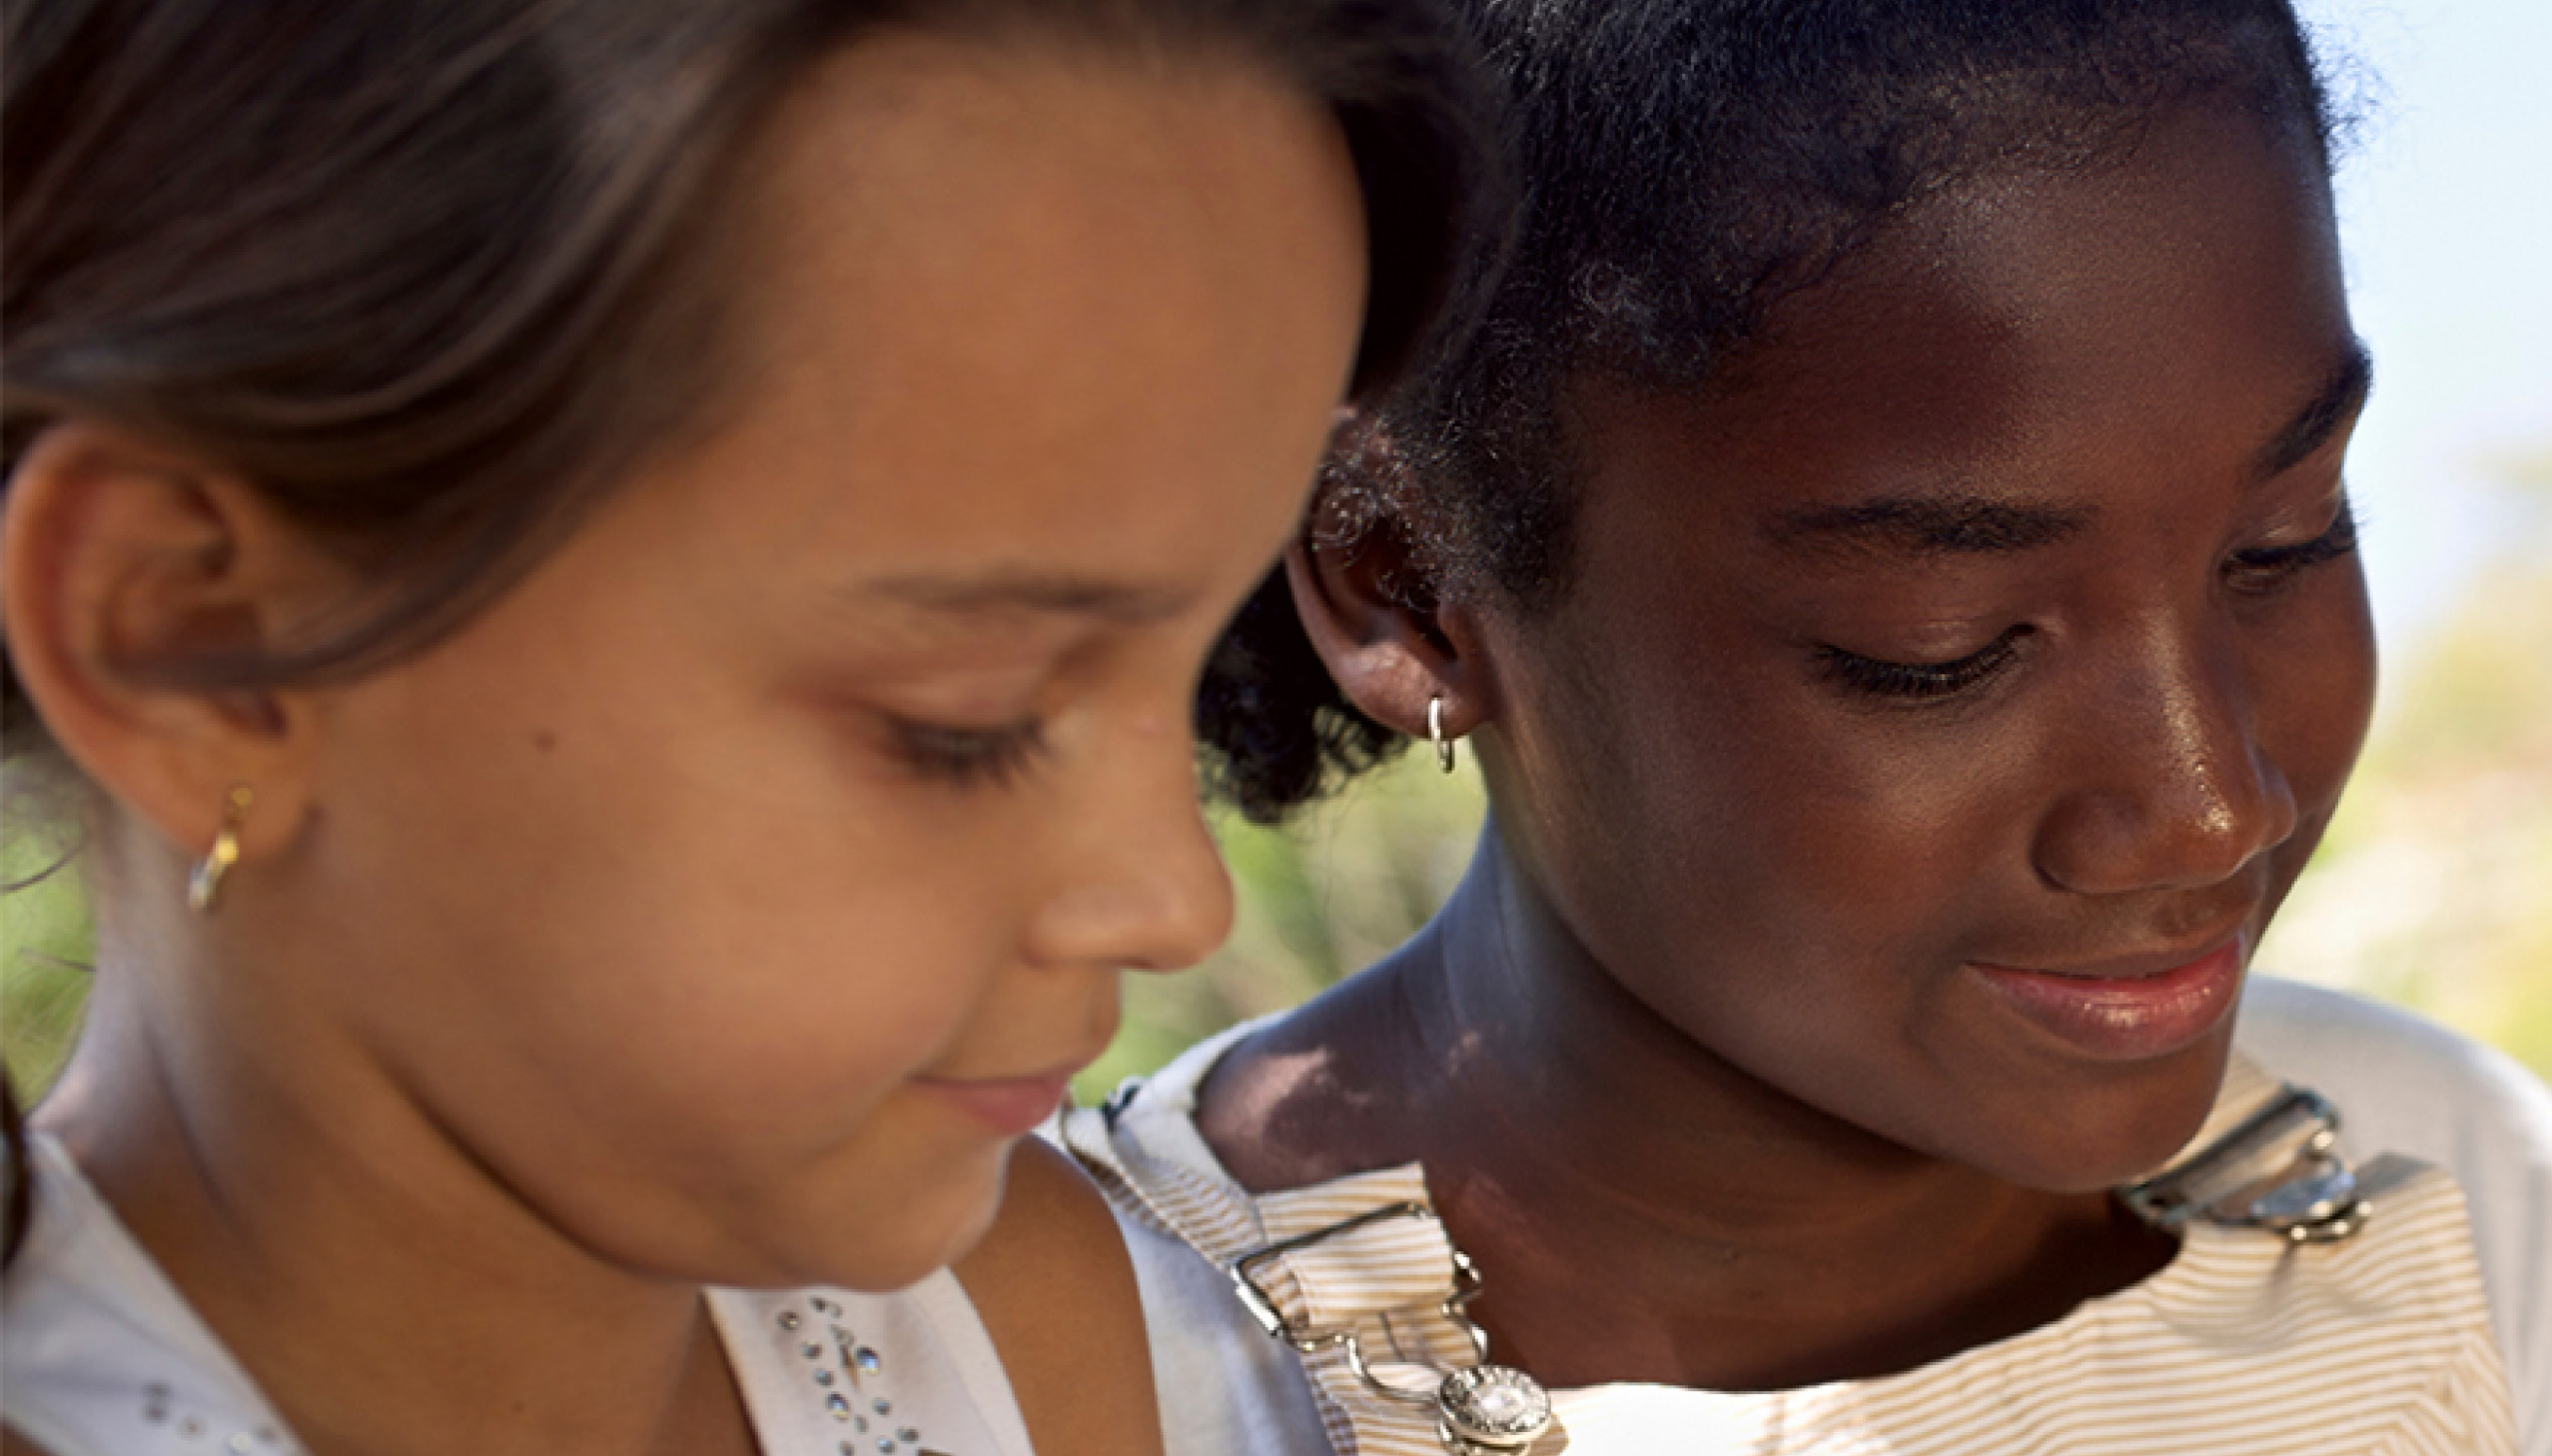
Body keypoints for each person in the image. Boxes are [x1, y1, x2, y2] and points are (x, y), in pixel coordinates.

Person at [993, 2, 2552, 1451]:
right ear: (1406, 585)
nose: (2212, 805)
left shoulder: (2455, 1196)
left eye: (2284, 543)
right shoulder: (1051, 1361)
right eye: (1943, 647)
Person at [0, 1, 1497, 1452]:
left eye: (1184, 666)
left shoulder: (1016, 1317)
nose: (1177, 897)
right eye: (960, 722)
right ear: (202, 643)